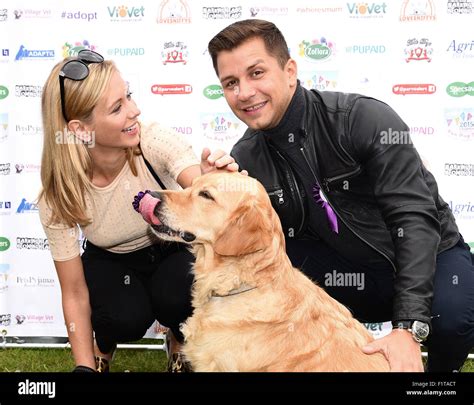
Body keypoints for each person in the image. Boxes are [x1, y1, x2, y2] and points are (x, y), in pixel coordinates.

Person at [207, 19, 474, 372]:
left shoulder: (362, 118)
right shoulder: (245, 157)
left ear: (290, 71)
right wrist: (215, 192)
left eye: (256, 73)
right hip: (344, 272)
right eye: (231, 83)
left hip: (424, 256)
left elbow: (414, 218)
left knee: (454, 317)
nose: (243, 92)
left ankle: (438, 376)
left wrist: (408, 326)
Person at [38, 50, 240, 372]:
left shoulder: (153, 140)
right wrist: (84, 368)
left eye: (128, 96)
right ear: (79, 129)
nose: (135, 110)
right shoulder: (59, 192)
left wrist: (212, 184)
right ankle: (103, 344)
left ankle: (178, 335)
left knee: (179, 294)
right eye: (118, 107)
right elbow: (74, 292)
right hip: (110, 260)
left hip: (170, 251)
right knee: (123, 318)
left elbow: (207, 194)